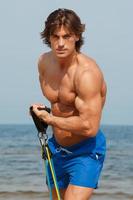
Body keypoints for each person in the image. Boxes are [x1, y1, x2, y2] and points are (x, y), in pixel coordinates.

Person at [32, 8, 107, 200]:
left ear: (77, 36)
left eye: (67, 36)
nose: (60, 43)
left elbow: (89, 127)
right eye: (55, 36)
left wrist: (49, 118)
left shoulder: (87, 74)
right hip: (56, 149)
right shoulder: (44, 63)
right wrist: (41, 113)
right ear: (48, 37)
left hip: (85, 150)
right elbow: (58, 105)